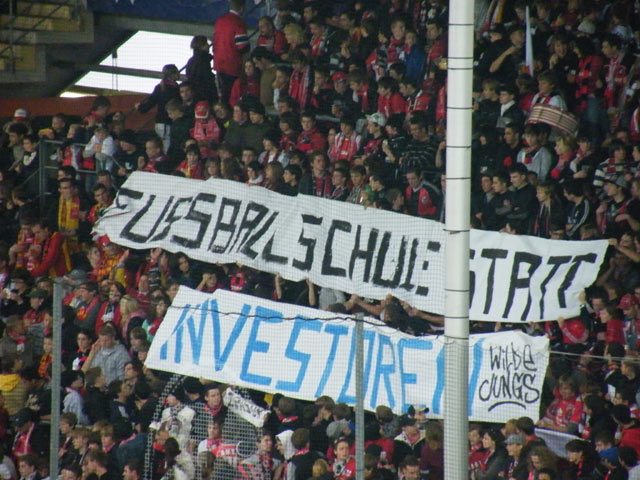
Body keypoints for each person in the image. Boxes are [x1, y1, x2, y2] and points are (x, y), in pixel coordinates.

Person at [212, 0, 249, 103]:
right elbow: (243, 47)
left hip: (219, 65)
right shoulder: (239, 23)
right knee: (232, 97)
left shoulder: (220, 21)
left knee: (223, 96)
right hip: (233, 67)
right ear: (242, 8)